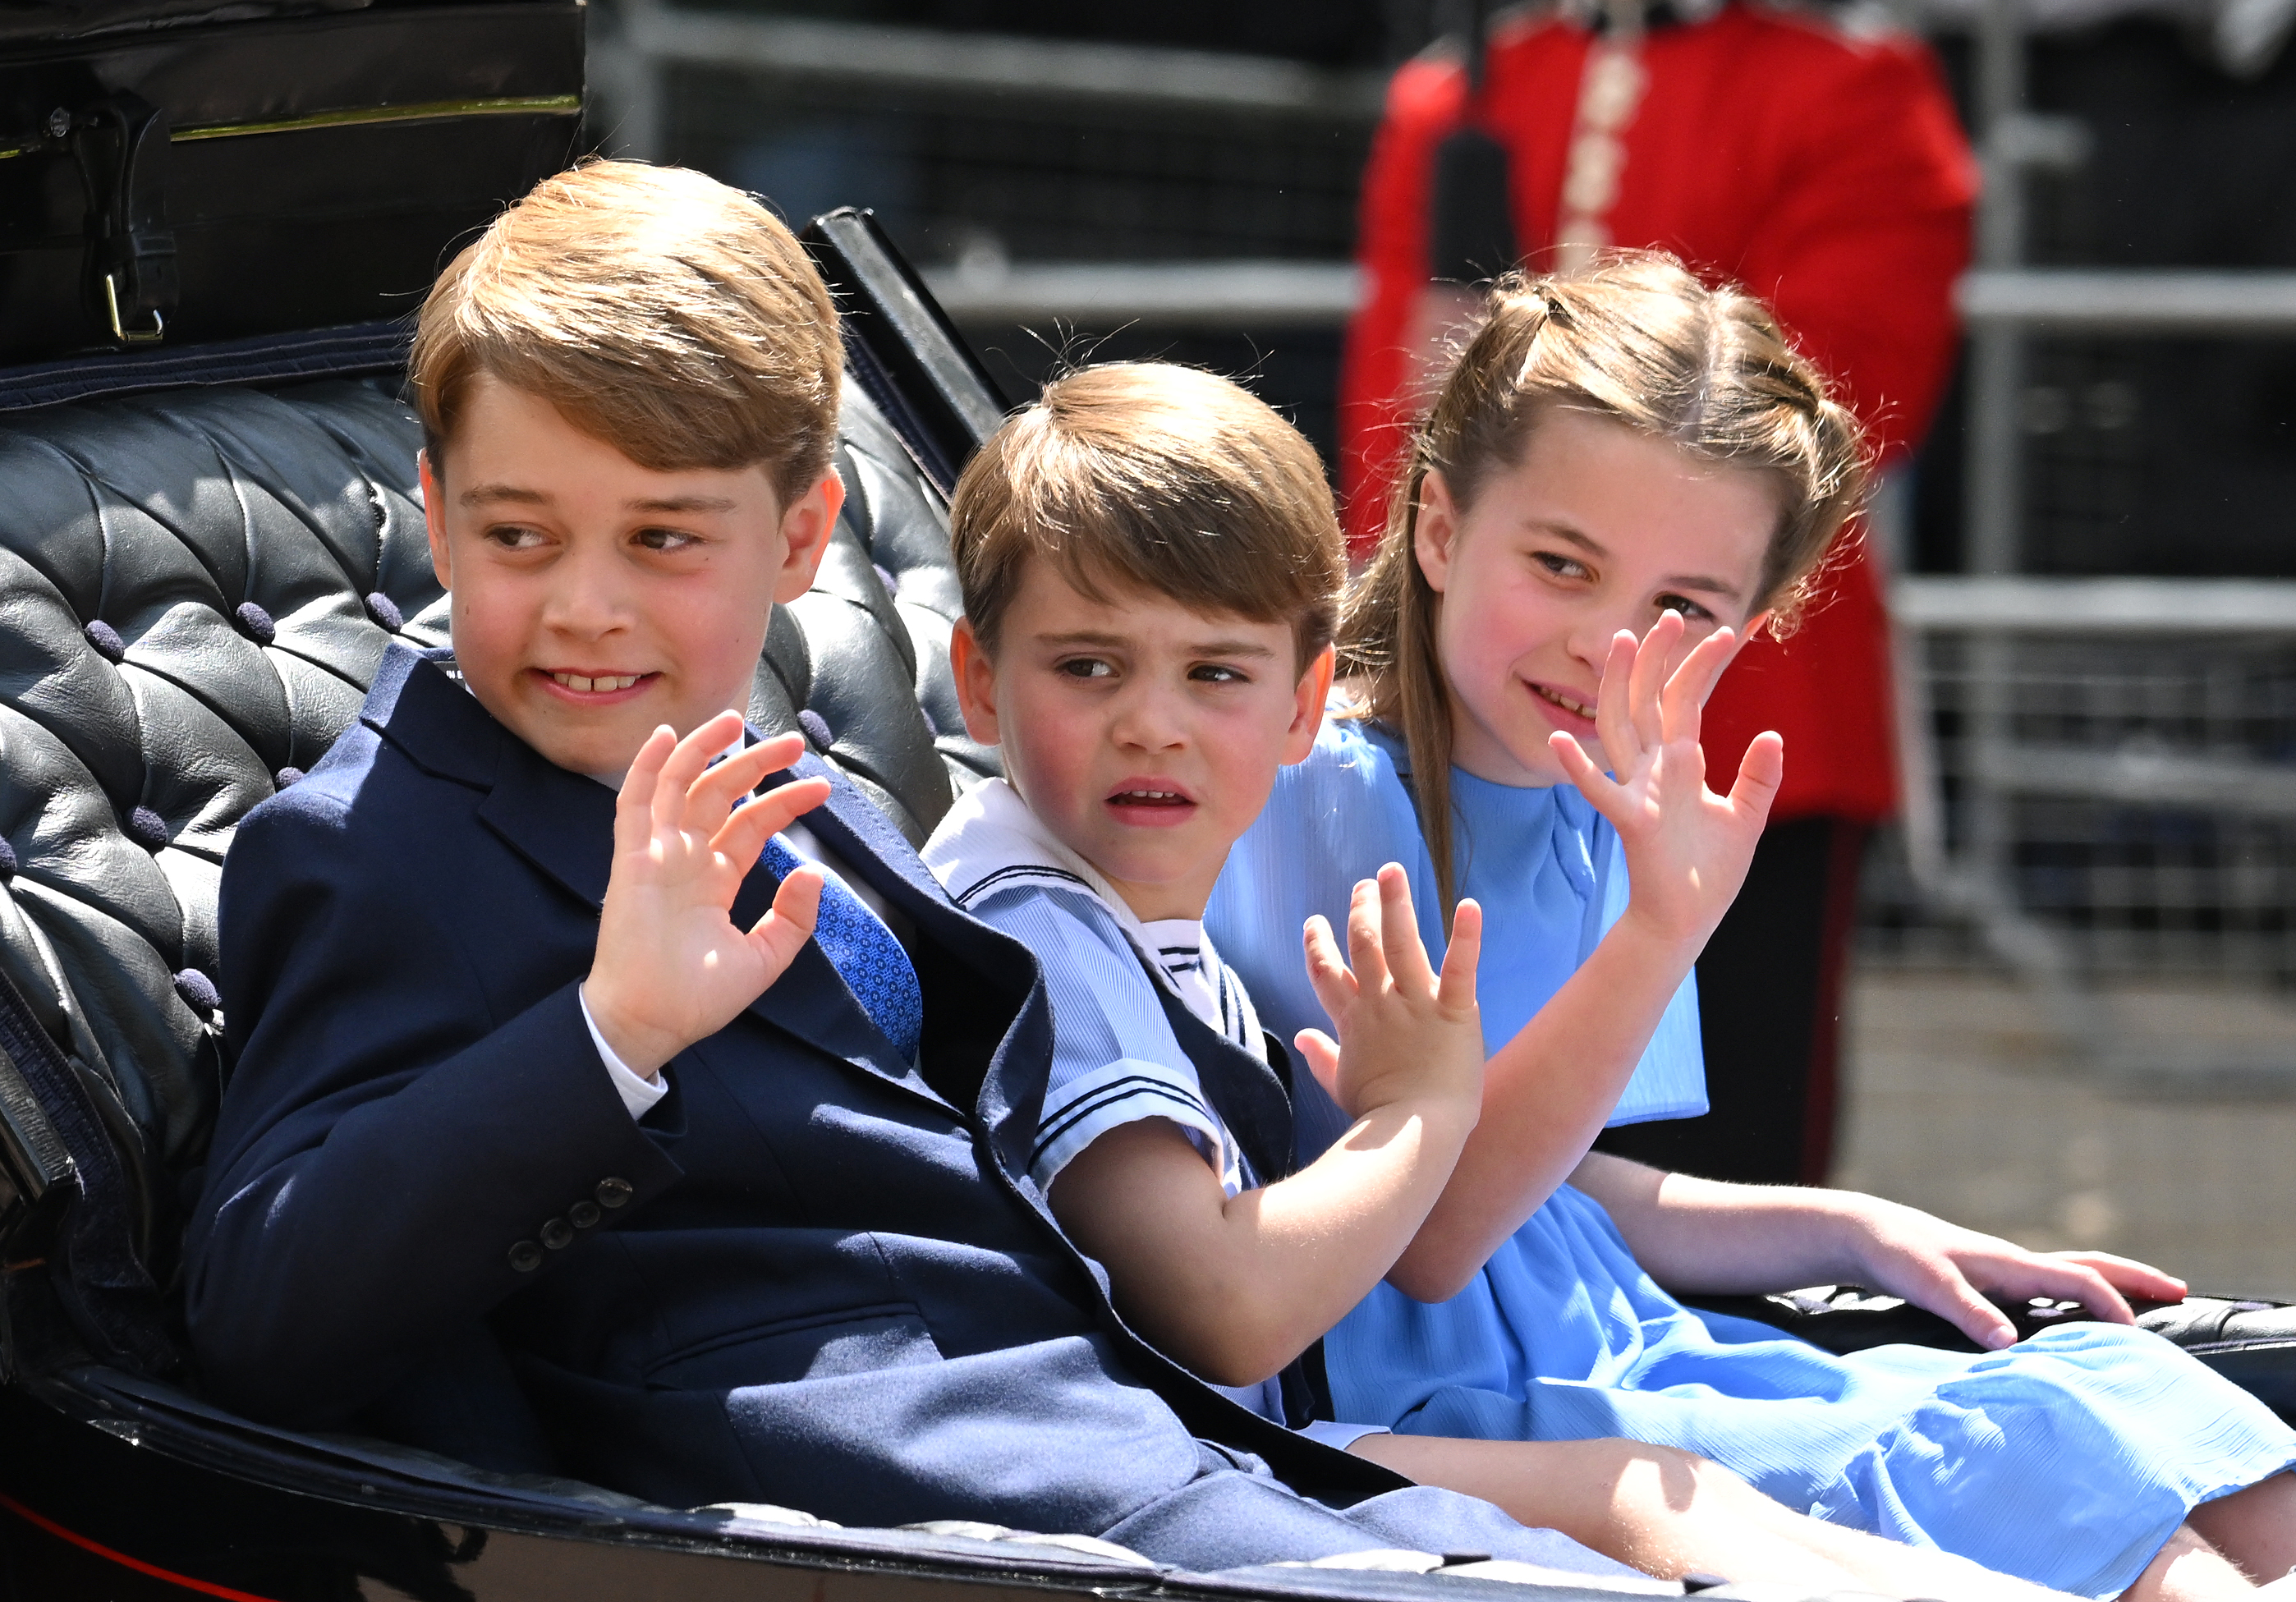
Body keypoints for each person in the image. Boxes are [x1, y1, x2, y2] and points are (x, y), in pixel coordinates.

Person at [180, 158, 1664, 1577]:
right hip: (894, 1504)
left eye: (661, 539)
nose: (585, 606)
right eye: (520, 535)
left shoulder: (788, 782)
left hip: (1137, 1436)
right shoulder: (371, 847)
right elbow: (260, 1306)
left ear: (804, 535)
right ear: (437, 517)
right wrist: (610, 1033)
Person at [919, 358, 2102, 1601]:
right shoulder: (1059, 921)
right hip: (1258, 1449)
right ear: (983, 681)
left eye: (1213, 673)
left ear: (1295, 700)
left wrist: (1843, 1224)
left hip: (1312, 1422)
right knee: (1696, 1493)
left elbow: (1553, 1192)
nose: (1152, 725)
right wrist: (1422, 1110)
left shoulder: (1139, 903)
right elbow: (1242, 1308)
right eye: (1089, 667)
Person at [1206, 255, 2296, 1602]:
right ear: (1437, 530)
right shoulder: (1319, 793)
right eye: (1562, 564)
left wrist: (1847, 1224)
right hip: (1454, 1402)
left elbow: (1563, 1187)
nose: (1608, 647)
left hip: (1632, 1346)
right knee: (2088, 1496)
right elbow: (1434, 1236)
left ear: (1752, 628)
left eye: (1679, 609)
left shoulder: (1606, 805)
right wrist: (1660, 930)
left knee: (2200, 1446)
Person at [1343, 0, 1980, 1183]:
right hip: (1476, 702)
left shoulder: (1852, 89)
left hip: (1732, 714)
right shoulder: (1452, 99)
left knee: (1729, 1152)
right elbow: (1396, 431)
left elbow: (1831, 406)